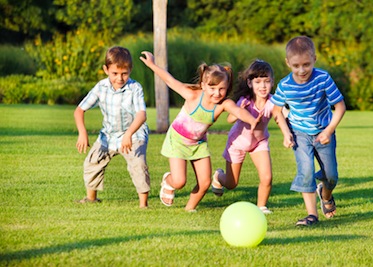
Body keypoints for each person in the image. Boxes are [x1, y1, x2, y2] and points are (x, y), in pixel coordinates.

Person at [139, 51, 260, 212]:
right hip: (177, 141)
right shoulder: (192, 95)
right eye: (212, 88)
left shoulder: (223, 104)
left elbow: (238, 111)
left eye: (221, 89)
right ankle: (168, 181)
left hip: (198, 144)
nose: (217, 93)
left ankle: (189, 209)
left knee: (204, 183)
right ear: (203, 85)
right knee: (179, 181)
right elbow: (170, 80)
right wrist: (152, 65)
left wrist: (252, 120)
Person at [271, 36, 346, 226]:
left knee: (331, 176)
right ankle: (312, 215)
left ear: (314, 59)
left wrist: (329, 131)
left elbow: (340, 106)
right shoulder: (285, 86)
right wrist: (287, 133)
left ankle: (325, 194)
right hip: (300, 134)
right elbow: (276, 111)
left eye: (306, 64)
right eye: (296, 66)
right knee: (305, 171)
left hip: (323, 133)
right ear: (288, 63)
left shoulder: (323, 78)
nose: (302, 70)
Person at [74, 46, 150, 208]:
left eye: (124, 73)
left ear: (130, 70)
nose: (120, 78)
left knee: (138, 164)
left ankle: (143, 205)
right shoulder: (101, 87)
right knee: (93, 161)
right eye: (115, 73)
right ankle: (91, 198)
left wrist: (129, 134)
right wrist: (82, 132)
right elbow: (79, 110)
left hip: (134, 134)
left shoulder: (135, 88)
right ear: (106, 69)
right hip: (108, 135)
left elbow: (141, 115)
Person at [211, 59, 289, 215]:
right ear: (249, 83)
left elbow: (282, 115)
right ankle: (218, 176)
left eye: (266, 81)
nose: (263, 86)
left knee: (267, 178)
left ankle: (261, 207)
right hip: (237, 143)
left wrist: (288, 132)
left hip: (259, 143)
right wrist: (239, 110)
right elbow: (230, 119)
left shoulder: (273, 102)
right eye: (258, 81)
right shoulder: (245, 101)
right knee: (232, 184)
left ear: (272, 82)